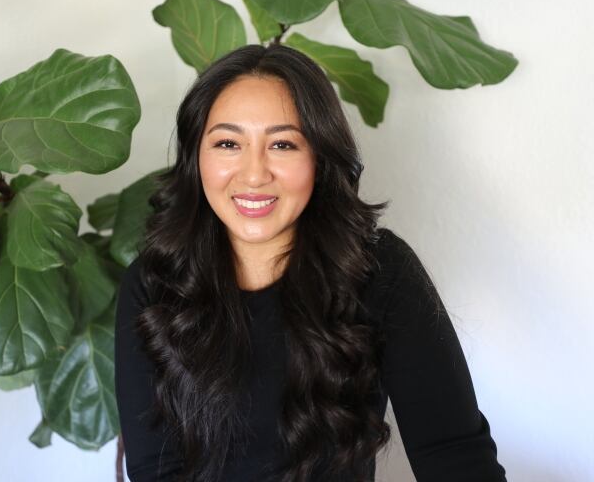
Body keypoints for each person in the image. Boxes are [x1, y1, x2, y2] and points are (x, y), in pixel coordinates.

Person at [114, 43, 507, 482]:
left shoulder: (378, 269)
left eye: (283, 144)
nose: (254, 173)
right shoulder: (154, 284)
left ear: (319, 157)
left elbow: (453, 452)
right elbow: (155, 469)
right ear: (195, 158)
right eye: (228, 143)